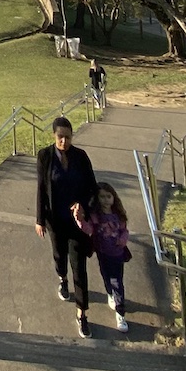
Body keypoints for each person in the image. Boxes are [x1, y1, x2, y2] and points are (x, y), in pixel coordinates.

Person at [35, 116, 99, 337]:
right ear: (54, 136)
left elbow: (92, 187)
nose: (64, 141)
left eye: (68, 137)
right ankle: (62, 278)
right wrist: (39, 219)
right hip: (55, 220)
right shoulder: (44, 156)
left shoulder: (81, 157)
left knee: (79, 267)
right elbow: (41, 189)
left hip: (77, 222)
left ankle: (82, 313)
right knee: (59, 256)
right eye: (60, 137)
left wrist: (85, 207)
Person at [72, 182, 130, 333]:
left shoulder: (118, 215)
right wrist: (80, 220)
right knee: (106, 277)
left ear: (114, 198)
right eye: (102, 197)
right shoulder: (96, 217)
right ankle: (110, 294)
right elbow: (89, 229)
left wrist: (123, 240)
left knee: (117, 282)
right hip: (102, 254)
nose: (105, 200)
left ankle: (120, 313)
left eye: (108, 196)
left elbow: (125, 230)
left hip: (117, 255)